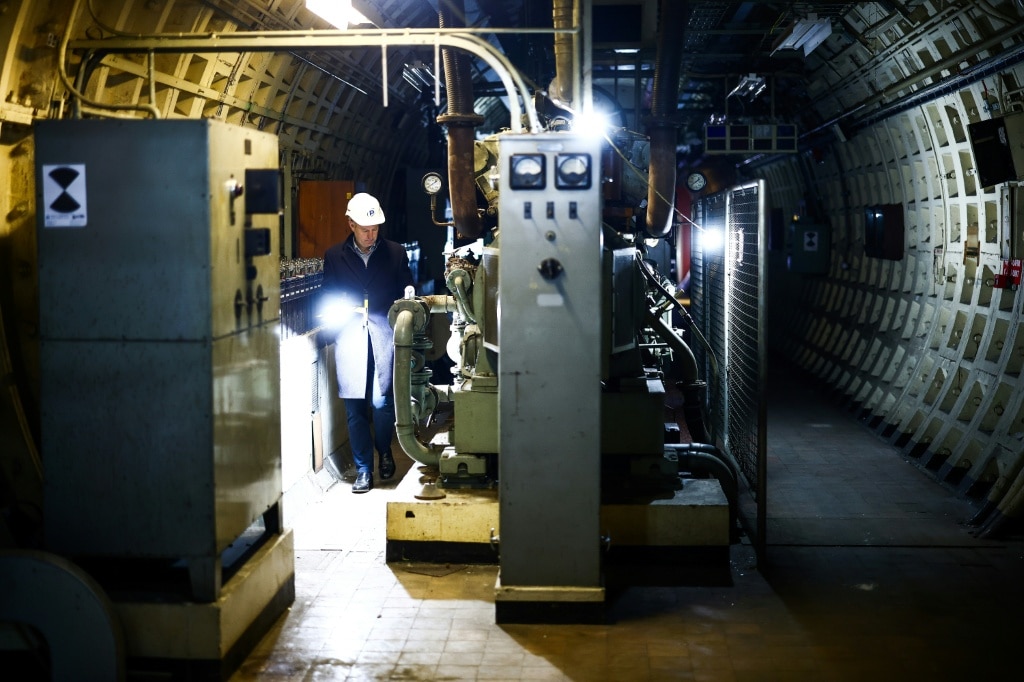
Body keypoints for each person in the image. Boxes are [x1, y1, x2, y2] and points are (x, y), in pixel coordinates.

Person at [321, 192, 413, 493]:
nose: (370, 235)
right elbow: (327, 293)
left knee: (381, 401)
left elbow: (406, 295)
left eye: (375, 229)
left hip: (384, 333)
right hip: (349, 335)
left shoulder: (396, 253)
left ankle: (384, 449)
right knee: (355, 406)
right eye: (365, 229)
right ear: (351, 224)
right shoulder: (334, 256)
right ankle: (363, 470)